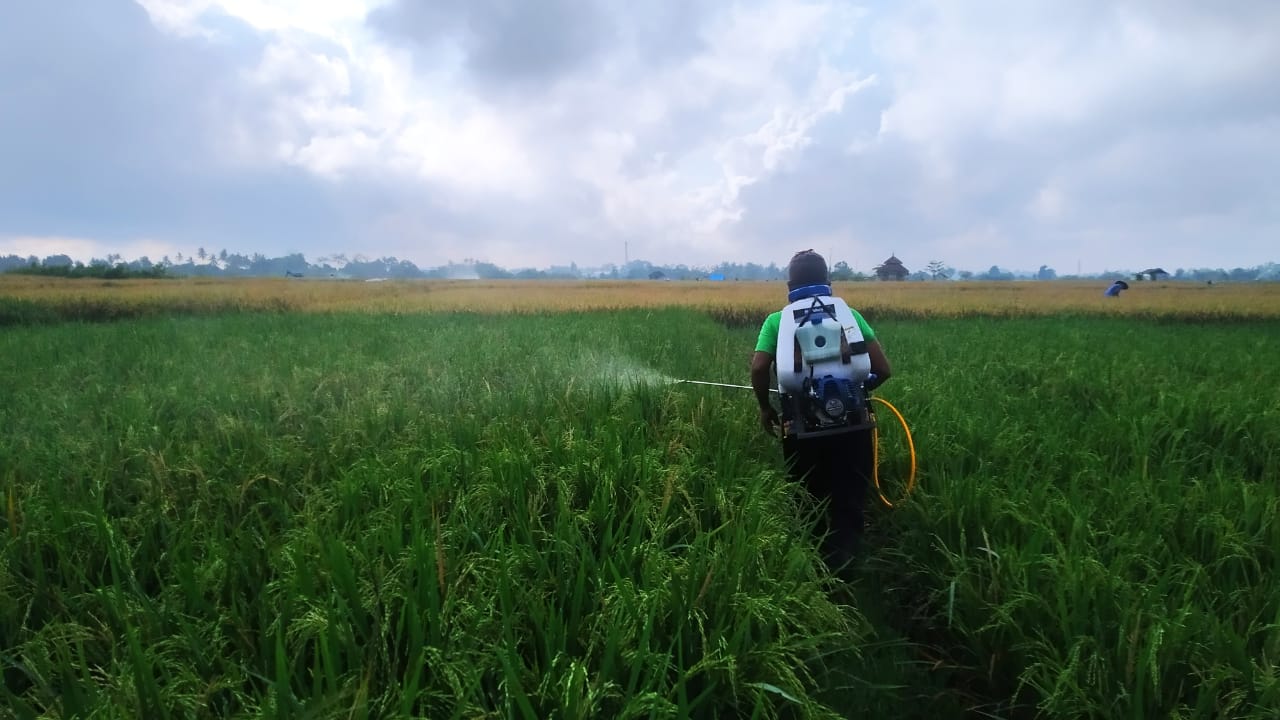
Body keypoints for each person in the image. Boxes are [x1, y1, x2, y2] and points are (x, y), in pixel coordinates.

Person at [749, 250, 892, 570]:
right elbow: (883, 369)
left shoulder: (777, 321)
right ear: (828, 282)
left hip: (800, 429)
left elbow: (759, 367)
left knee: (809, 499)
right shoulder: (849, 315)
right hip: (853, 425)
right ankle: (849, 573)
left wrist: (764, 407)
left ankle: (814, 574)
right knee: (850, 500)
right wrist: (857, 391)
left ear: (789, 285)